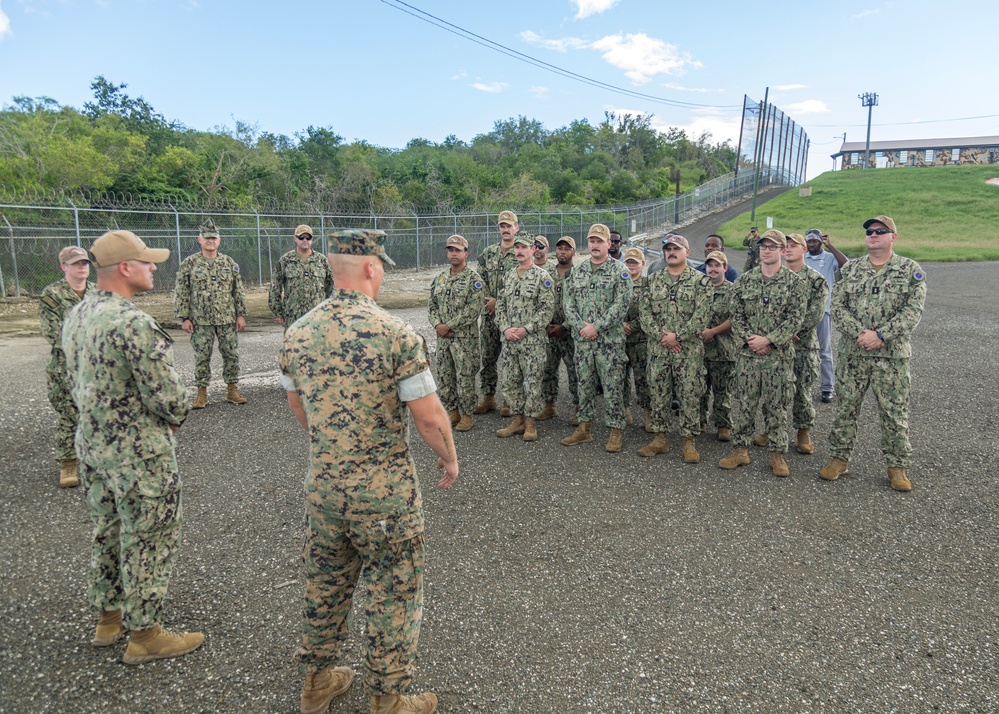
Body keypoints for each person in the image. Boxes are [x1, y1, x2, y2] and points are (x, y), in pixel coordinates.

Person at [279, 229, 458, 714]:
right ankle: (387, 698)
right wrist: (448, 456)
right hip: (384, 494)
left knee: (326, 581)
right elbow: (428, 415)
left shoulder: (298, 331)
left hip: (325, 487)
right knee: (394, 587)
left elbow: (301, 407)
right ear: (373, 268)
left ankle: (316, 683)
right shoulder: (395, 333)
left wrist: (333, 443)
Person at [62, 230, 203, 665]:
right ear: (124, 268)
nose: (154, 267)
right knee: (149, 537)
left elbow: (72, 382)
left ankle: (109, 618)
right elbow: (170, 397)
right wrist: (173, 418)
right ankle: (144, 634)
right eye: (146, 261)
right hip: (138, 454)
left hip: (93, 447)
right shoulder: (132, 323)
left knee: (108, 529)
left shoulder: (79, 314)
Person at [819, 216, 926, 492]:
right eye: (869, 231)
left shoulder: (909, 270)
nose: (873, 235)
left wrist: (880, 335)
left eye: (881, 231)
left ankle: (896, 466)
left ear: (894, 237)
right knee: (846, 409)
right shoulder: (851, 270)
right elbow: (838, 307)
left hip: (891, 357)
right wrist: (860, 334)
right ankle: (839, 458)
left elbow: (912, 312)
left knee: (893, 413)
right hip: (853, 355)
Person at [718, 229, 806, 477]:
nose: (766, 250)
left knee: (777, 406)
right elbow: (736, 315)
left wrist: (769, 340)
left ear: (782, 250)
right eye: (763, 246)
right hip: (748, 355)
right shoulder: (744, 282)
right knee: (744, 405)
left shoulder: (795, 283)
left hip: (777, 357)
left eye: (772, 247)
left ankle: (777, 454)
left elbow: (795, 319)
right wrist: (751, 339)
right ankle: (740, 450)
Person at [637, 234, 710, 463]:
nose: (671, 252)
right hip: (659, 350)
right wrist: (663, 337)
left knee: (689, 395)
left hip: (688, 352)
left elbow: (703, 315)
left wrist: (677, 336)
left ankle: (689, 441)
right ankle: (660, 439)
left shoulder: (701, 281)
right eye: (668, 248)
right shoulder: (652, 280)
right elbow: (644, 313)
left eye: (676, 248)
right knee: (658, 393)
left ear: (687, 252)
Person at [561, 224, 632, 453]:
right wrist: (581, 327)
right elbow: (568, 303)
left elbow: (621, 305)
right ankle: (584, 428)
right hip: (583, 341)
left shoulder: (619, 271)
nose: (595, 245)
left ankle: (615, 431)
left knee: (612, 386)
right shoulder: (578, 271)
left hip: (608, 342)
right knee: (584, 385)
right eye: (592, 241)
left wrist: (596, 327)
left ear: (608, 244)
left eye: (600, 241)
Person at [174, 219, 248, 408]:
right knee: (201, 357)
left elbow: (237, 290)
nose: (210, 241)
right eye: (207, 237)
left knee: (231, 354)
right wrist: (184, 317)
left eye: (213, 238)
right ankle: (201, 394)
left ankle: (232, 390)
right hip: (200, 320)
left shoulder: (228, 263)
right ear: (199, 239)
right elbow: (182, 291)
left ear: (219, 240)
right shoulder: (189, 264)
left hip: (226, 318)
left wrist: (241, 314)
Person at [39, 246, 94, 488]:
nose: (82, 266)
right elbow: (53, 333)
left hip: (95, 368)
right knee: (69, 416)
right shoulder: (52, 295)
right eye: (75, 263)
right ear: (64, 267)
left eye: (85, 262)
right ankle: (68, 463)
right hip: (66, 368)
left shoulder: (97, 294)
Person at [494, 235, 555, 441]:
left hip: (532, 341)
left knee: (532, 382)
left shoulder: (542, 276)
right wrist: (505, 328)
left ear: (533, 250)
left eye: (524, 247)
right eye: (517, 247)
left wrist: (526, 329)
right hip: (510, 341)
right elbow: (500, 305)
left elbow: (546, 310)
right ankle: (517, 419)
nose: (519, 251)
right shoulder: (509, 276)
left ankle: (531, 423)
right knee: (511, 381)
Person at [428, 234, 485, 432]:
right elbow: (432, 306)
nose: (453, 253)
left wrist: (449, 325)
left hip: (464, 340)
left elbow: (473, 310)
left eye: (458, 250)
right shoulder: (440, 279)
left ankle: (467, 413)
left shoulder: (474, 280)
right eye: (450, 250)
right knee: (445, 375)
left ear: (466, 253)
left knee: (465, 377)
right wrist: (437, 325)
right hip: (443, 339)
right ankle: (451, 411)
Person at [475, 210, 520, 415]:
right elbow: (480, 280)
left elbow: (521, 283)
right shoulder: (489, 253)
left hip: (511, 316)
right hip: (489, 315)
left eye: (509, 226)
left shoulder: (520, 252)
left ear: (516, 228)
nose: (505, 229)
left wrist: (498, 302)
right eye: (502, 226)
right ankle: (489, 396)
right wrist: (489, 302)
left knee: (511, 359)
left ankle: (510, 400)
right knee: (488, 356)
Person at [803, 227, 849, 403]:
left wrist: (832, 247)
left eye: (815, 241)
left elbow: (846, 265)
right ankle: (801, 385)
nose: (811, 244)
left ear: (821, 242)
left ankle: (827, 388)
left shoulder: (830, 258)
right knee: (801, 350)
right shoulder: (803, 257)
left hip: (823, 310)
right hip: (803, 312)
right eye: (809, 241)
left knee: (824, 351)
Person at [698, 251, 736, 442]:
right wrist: (701, 330)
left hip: (723, 349)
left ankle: (723, 425)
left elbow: (735, 318)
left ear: (725, 268)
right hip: (700, 349)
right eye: (710, 266)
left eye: (717, 266)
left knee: (723, 391)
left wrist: (713, 331)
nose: (713, 269)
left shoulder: (732, 291)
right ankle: (700, 421)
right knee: (700, 389)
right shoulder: (699, 288)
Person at [268, 224, 335, 331]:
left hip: (317, 317)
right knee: (292, 347)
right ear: (295, 239)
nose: (305, 240)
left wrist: (329, 310)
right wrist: (277, 312)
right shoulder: (286, 260)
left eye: (308, 238)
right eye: (301, 237)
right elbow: (275, 287)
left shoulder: (322, 261)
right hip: (293, 317)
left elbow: (331, 287)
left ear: (312, 239)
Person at [540, 236, 578, 423]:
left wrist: (565, 326)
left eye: (567, 249)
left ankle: (579, 408)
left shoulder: (579, 273)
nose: (562, 252)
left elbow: (583, 304)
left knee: (574, 371)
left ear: (574, 252)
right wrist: (545, 324)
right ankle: (549, 405)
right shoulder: (545, 272)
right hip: (548, 330)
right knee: (548, 368)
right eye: (560, 248)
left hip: (570, 332)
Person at [622, 247, 652, 432]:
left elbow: (650, 311)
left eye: (635, 262)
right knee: (620, 378)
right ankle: (624, 410)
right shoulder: (619, 282)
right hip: (620, 339)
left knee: (643, 379)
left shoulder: (648, 284)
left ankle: (648, 414)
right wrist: (619, 324)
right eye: (629, 262)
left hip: (641, 340)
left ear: (643, 264)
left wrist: (632, 326)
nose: (631, 265)